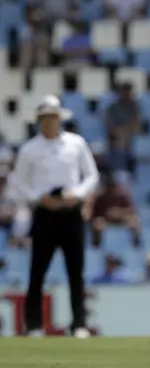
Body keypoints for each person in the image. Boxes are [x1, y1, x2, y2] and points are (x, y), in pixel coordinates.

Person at [9, 95, 99, 338]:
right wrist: (39, 197)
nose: (50, 122)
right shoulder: (30, 149)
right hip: (44, 214)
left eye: (53, 117)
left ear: (60, 118)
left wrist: (77, 194)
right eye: (45, 118)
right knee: (38, 271)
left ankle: (79, 324)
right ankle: (35, 326)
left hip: (71, 213)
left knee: (75, 271)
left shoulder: (76, 143)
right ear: (39, 120)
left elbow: (91, 176)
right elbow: (18, 182)